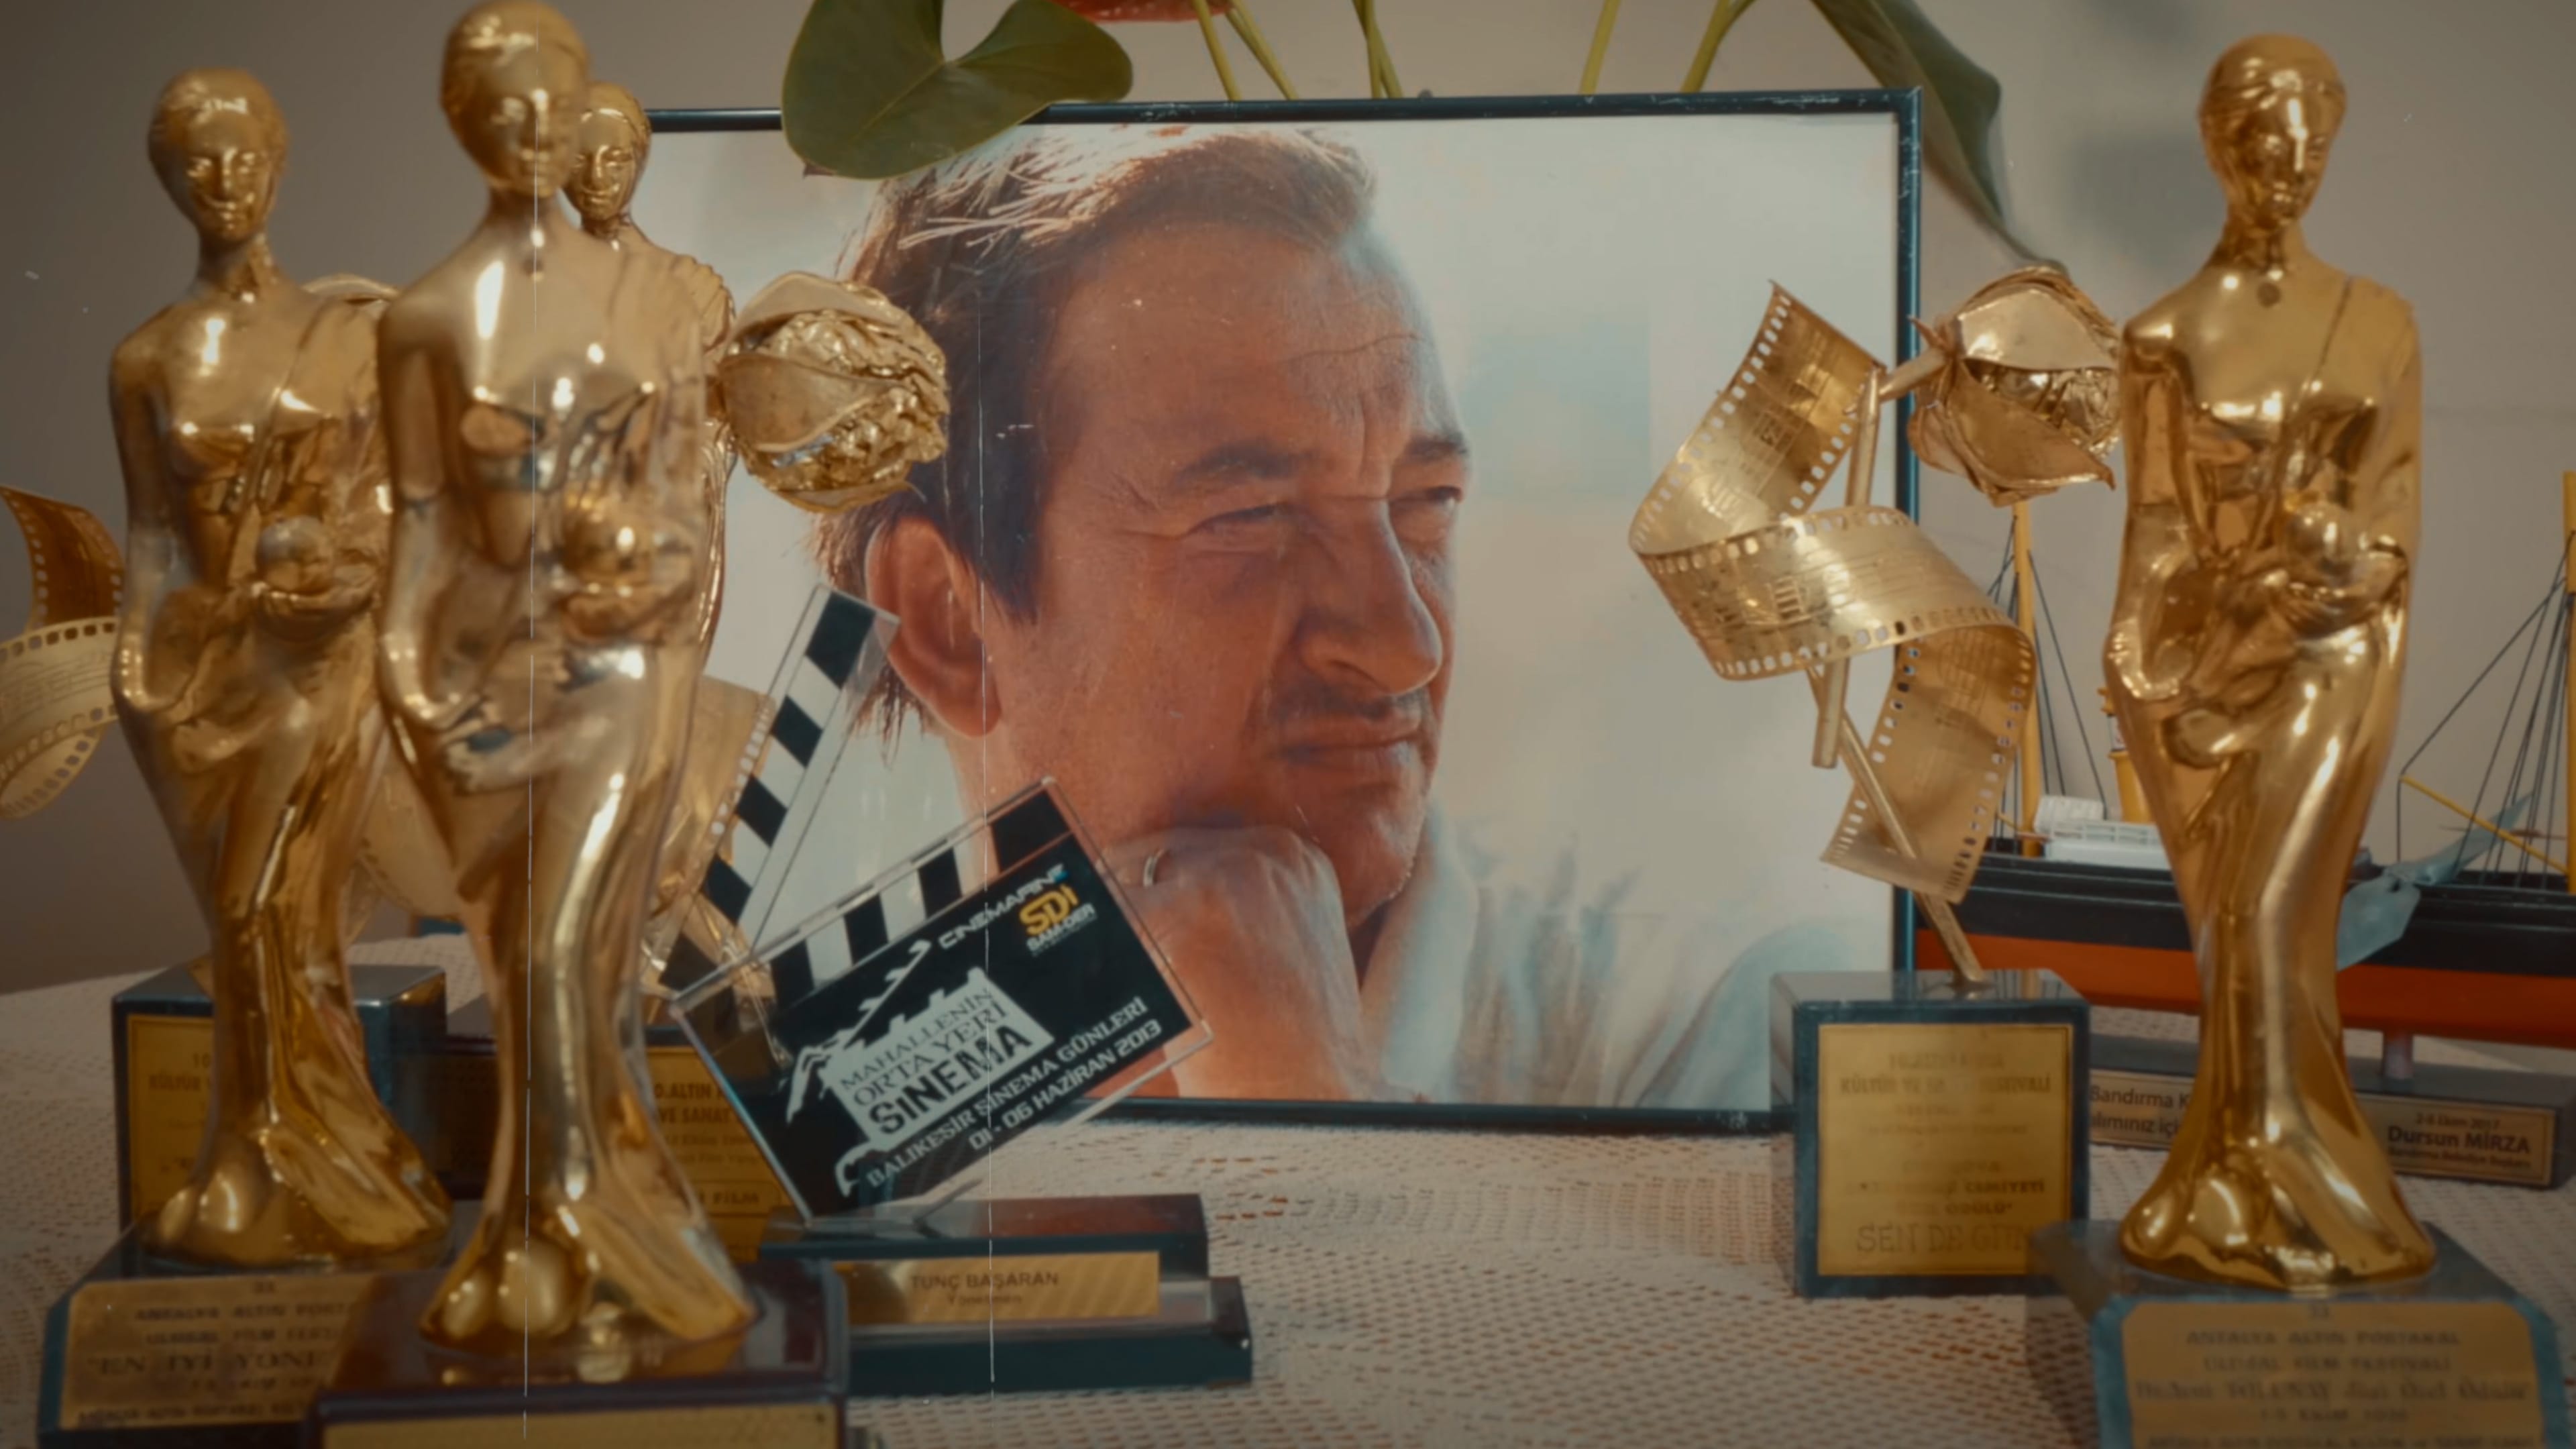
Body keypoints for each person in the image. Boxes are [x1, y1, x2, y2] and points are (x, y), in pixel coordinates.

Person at [820, 128, 1827, 1107]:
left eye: (1425, 502)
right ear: (950, 621)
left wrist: (1302, 1103)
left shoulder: (1717, 1028)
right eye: (1249, 518)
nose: (1406, 647)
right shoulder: (795, 1085)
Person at [110, 68, 447, 1265]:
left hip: (320, 659)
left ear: (279, 161)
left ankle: (311, 1168)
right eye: (197, 161)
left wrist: (357, 575)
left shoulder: (349, 334)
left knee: (269, 910)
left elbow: (406, 501)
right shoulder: (148, 359)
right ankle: (275, 1165)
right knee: (248, 926)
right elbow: (155, 535)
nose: (226, 179)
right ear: (169, 180)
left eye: (245, 154)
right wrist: (137, 678)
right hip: (201, 676)